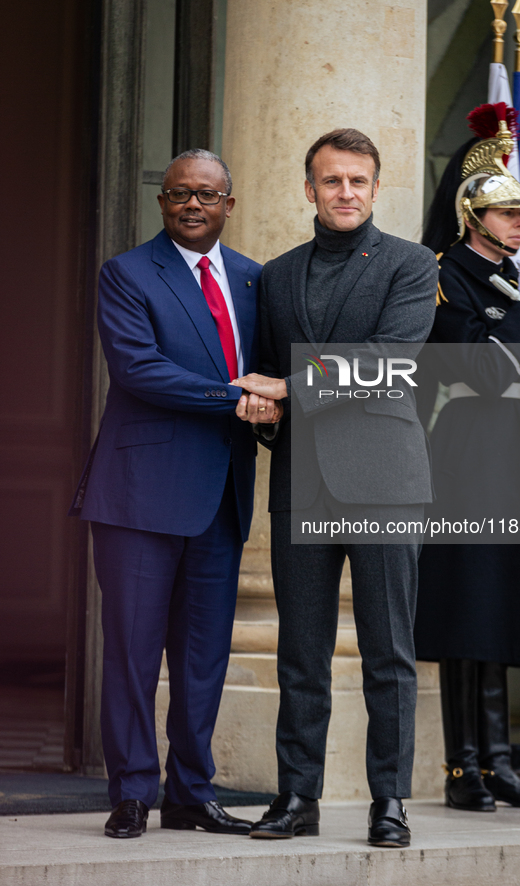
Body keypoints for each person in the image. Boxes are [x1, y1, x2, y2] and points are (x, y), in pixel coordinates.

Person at [232, 128, 439, 847]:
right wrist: (262, 410)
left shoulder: (411, 266)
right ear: (309, 189)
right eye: (330, 181)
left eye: (357, 181)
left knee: (387, 652)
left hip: (384, 483)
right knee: (301, 653)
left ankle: (389, 801)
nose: (344, 192)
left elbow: (387, 360)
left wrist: (281, 388)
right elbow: (262, 371)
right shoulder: (278, 275)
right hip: (301, 481)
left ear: (376, 189)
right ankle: (297, 798)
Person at [70, 149, 280, 838]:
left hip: (220, 495)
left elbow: (271, 375)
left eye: (207, 194)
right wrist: (237, 397)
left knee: (203, 654)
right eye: (179, 194)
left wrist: (273, 408)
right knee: (132, 650)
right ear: (162, 203)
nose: (193, 204)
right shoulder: (127, 273)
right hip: (139, 494)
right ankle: (132, 790)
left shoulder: (254, 281)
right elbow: (139, 370)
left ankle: (191, 791)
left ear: (229, 203)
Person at [413, 103, 520, 812]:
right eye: (506, 212)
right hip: (467, 463)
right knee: (469, 612)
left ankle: (498, 761)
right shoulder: (442, 278)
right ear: (470, 214)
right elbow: (483, 370)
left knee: (508, 607)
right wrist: (511, 334)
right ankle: (463, 769)